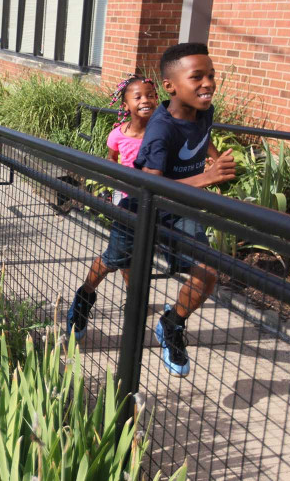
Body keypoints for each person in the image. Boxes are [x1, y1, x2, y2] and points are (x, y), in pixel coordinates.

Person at [137, 42, 235, 377]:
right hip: (150, 211)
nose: (208, 83)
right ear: (170, 86)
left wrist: (214, 156)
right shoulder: (160, 130)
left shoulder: (204, 110)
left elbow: (202, 134)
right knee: (112, 262)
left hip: (183, 210)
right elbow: (153, 186)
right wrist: (207, 177)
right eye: (197, 77)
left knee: (207, 273)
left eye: (211, 75)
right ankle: (85, 298)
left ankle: (172, 322)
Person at [67, 75, 158, 342]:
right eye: (138, 96)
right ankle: (84, 297)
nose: (146, 100)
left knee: (133, 255)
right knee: (116, 256)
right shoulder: (118, 134)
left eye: (151, 95)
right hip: (128, 201)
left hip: (154, 202)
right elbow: (112, 162)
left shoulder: (163, 131)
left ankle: (134, 301)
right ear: (126, 104)